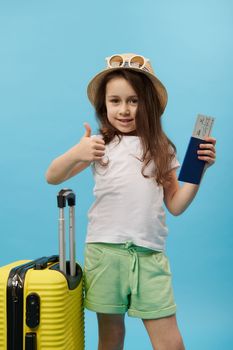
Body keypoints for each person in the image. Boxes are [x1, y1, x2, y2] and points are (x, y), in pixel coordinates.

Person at [46, 53, 216, 350]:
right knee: (111, 338)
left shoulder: (161, 148)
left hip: (149, 257)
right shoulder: (99, 146)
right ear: (104, 105)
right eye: (115, 101)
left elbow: (175, 205)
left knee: (170, 343)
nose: (124, 110)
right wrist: (78, 151)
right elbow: (53, 176)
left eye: (134, 101)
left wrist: (197, 172)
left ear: (148, 104)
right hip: (104, 253)